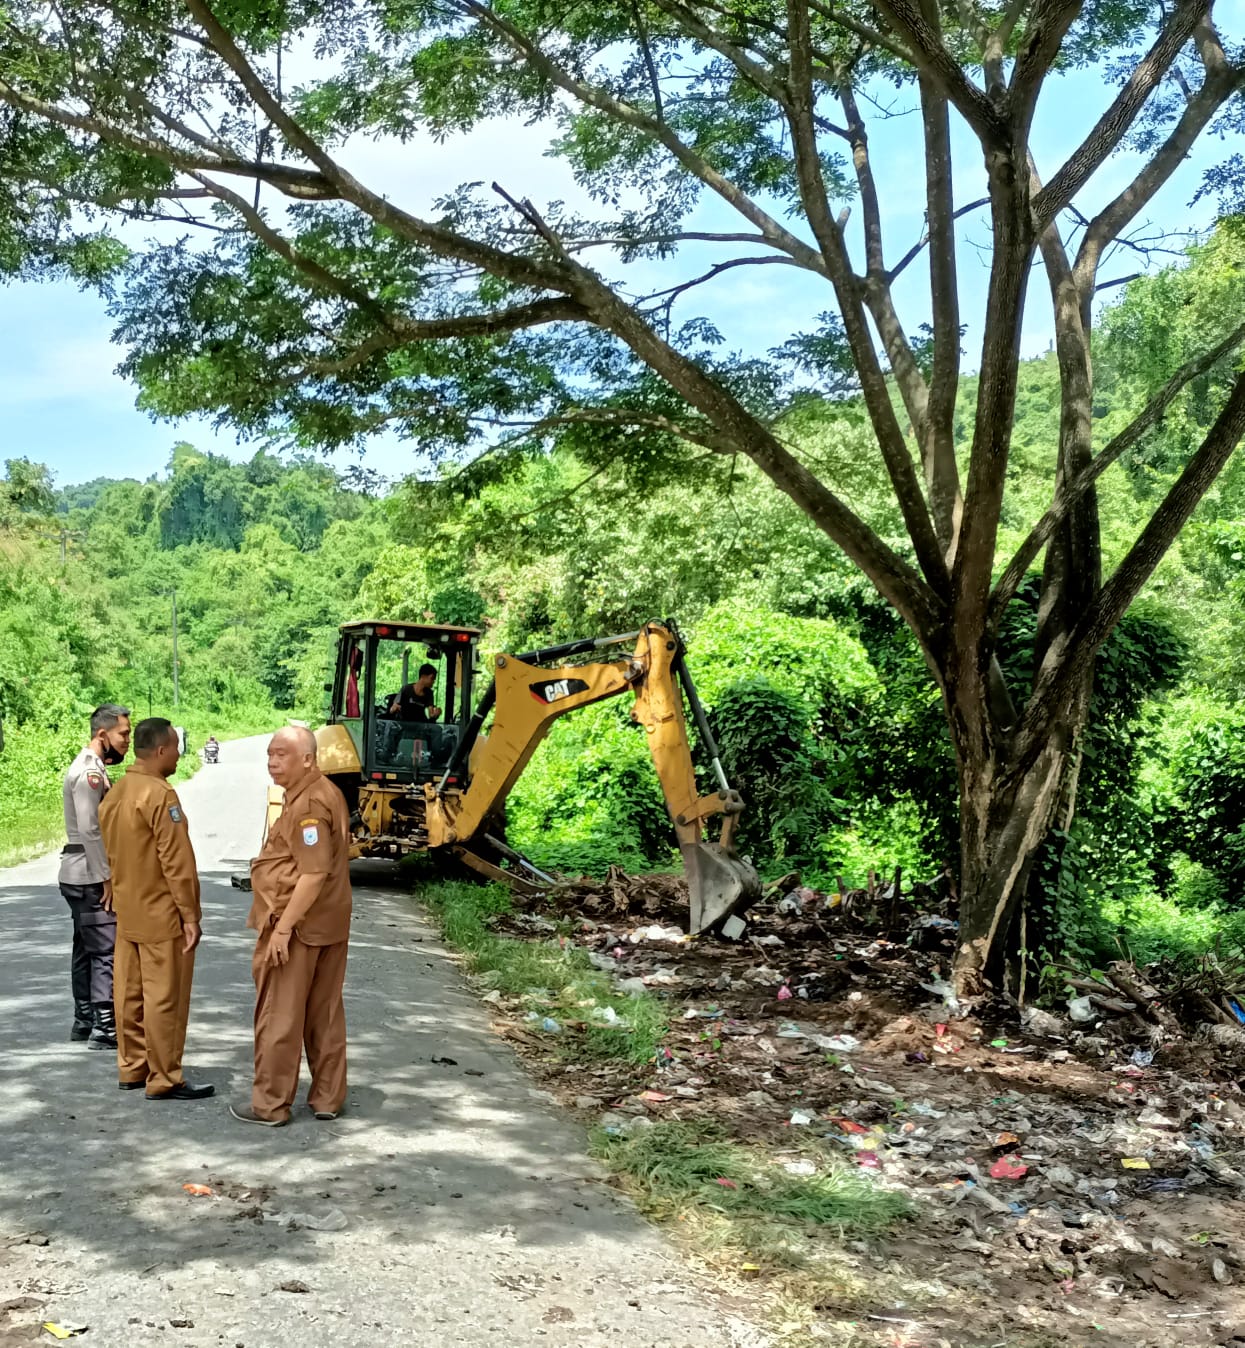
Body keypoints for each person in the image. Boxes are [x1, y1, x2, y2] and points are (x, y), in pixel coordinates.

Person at [231, 726, 352, 1127]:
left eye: (282, 754)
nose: (272, 762)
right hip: (329, 923)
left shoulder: (310, 805)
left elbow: (314, 873)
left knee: (279, 1016)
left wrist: (282, 929)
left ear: (307, 759)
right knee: (325, 1013)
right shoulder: (322, 792)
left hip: (299, 928)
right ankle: (327, 1098)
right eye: (269, 754)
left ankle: (270, 1104)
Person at [98, 718, 213, 1101]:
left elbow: (110, 853)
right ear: (161, 750)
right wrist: (191, 915)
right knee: (164, 997)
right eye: (176, 748)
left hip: (128, 911)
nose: (179, 755)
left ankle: (131, 1067)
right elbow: (176, 864)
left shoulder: (116, 793)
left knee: (128, 993)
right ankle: (165, 1076)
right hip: (162, 915)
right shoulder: (161, 796)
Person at [58, 704, 131, 1048]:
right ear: (102, 735)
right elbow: (89, 828)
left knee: (85, 948)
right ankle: (104, 1028)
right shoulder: (89, 772)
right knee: (104, 948)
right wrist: (107, 878)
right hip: (88, 874)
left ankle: (83, 1020)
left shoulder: (93, 767)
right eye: (123, 734)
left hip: (78, 871)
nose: (127, 741)